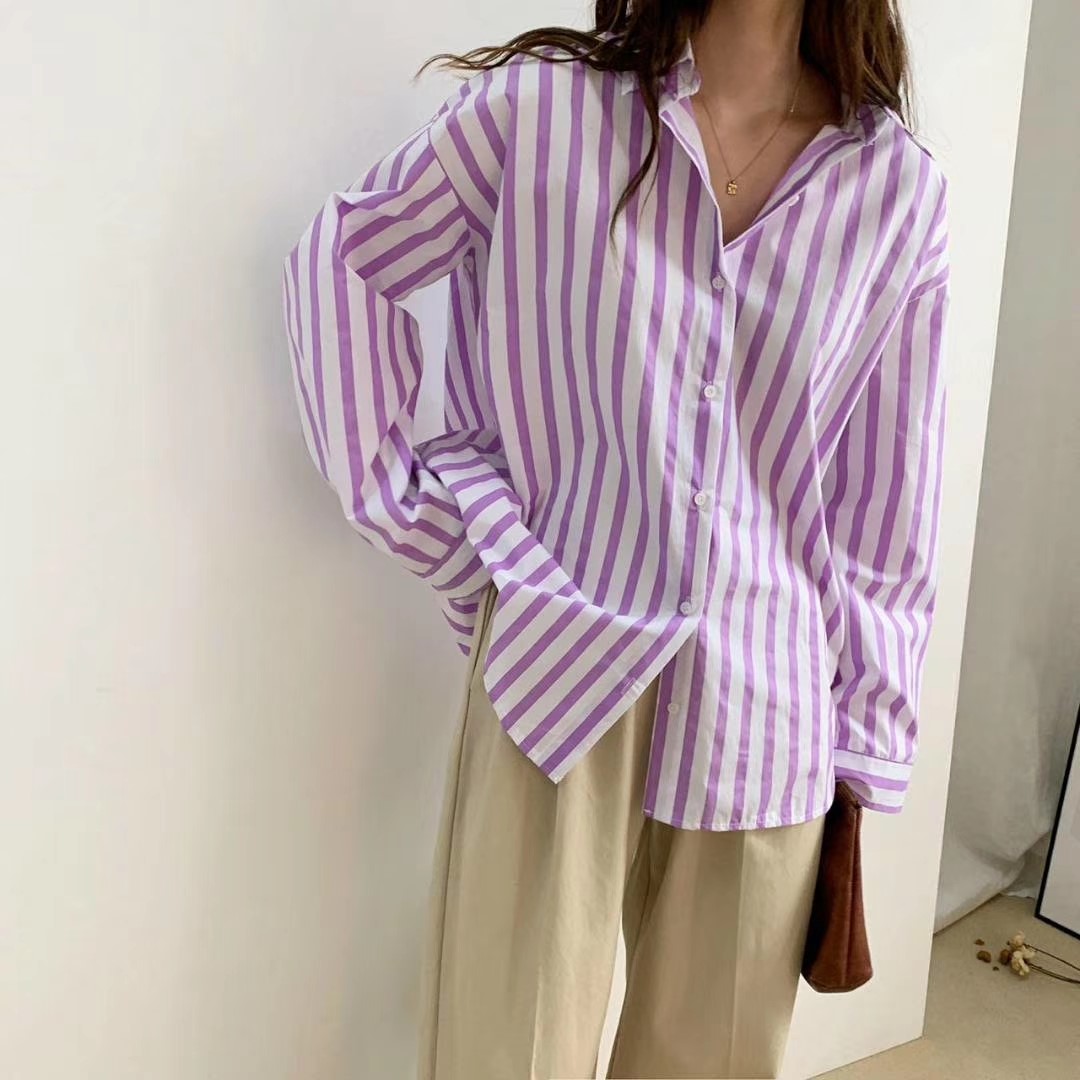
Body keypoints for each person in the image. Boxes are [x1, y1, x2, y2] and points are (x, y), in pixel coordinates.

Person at [281, 1, 951, 1076]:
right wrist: (445, 536)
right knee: (503, 1053)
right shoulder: (541, 112)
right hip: (556, 662)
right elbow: (347, 260)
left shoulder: (898, 193)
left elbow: (889, 501)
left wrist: (864, 744)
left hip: (769, 706)